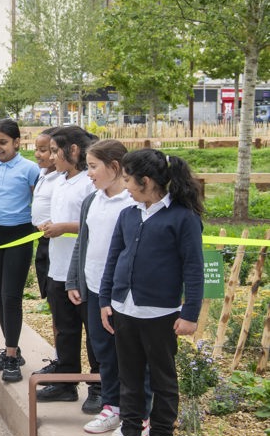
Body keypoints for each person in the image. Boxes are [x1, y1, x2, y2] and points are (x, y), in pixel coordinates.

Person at [100, 149, 204, 436]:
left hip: (161, 315)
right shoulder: (127, 214)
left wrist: (190, 314)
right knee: (129, 377)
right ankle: (130, 428)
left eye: (128, 180)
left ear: (145, 181)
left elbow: (194, 268)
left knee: (163, 379)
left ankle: (160, 430)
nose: (125, 187)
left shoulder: (184, 218)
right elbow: (113, 259)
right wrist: (106, 300)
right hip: (124, 311)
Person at [65, 140, 137, 434]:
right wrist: (74, 278)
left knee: (131, 355)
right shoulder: (92, 200)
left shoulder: (133, 202)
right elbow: (83, 241)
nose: (89, 173)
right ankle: (112, 407)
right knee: (103, 351)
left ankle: (137, 413)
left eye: (93, 167)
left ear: (115, 167)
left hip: (125, 295)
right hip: (94, 289)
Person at [36, 126, 100, 408]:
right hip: (57, 268)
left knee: (93, 332)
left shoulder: (90, 182)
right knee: (65, 329)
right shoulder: (60, 180)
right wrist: (50, 226)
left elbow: (95, 223)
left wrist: (63, 227)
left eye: (54, 151)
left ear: (73, 150)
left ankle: (99, 388)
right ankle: (66, 382)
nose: (50, 157)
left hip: (83, 272)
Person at [0, 118, 39, 383]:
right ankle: (11, 346)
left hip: (19, 234)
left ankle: (11, 357)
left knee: (11, 295)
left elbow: (38, 199)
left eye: (3, 143)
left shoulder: (30, 169)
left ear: (17, 142)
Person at [31, 127, 60, 301]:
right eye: (36, 149)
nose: (37, 154)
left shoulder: (60, 178)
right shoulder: (42, 173)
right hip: (42, 240)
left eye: (43, 150)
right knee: (47, 290)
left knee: (55, 290)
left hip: (55, 240)